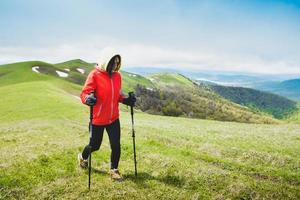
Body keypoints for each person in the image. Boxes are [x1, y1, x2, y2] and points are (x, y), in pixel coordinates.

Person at [77, 53, 136, 181]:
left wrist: (126, 100)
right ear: (105, 61)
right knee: (94, 145)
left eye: (117, 62)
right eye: (112, 62)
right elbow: (84, 93)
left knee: (116, 145)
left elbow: (117, 94)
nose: (115, 65)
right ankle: (83, 157)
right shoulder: (94, 74)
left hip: (113, 118)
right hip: (97, 119)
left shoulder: (117, 76)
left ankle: (114, 170)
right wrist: (88, 99)